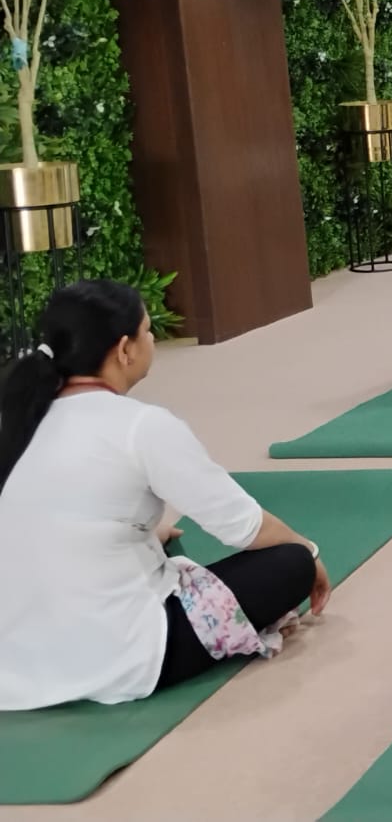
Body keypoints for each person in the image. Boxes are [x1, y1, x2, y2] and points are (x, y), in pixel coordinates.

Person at [0, 280, 331, 709]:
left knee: (165, 543)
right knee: (290, 563)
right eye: (148, 330)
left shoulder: (19, 422)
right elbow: (244, 527)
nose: (153, 340)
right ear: (125, 350)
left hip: (19, 660)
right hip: (120, 656)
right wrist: (310, 552)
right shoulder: (141, 426)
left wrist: (142, 535)